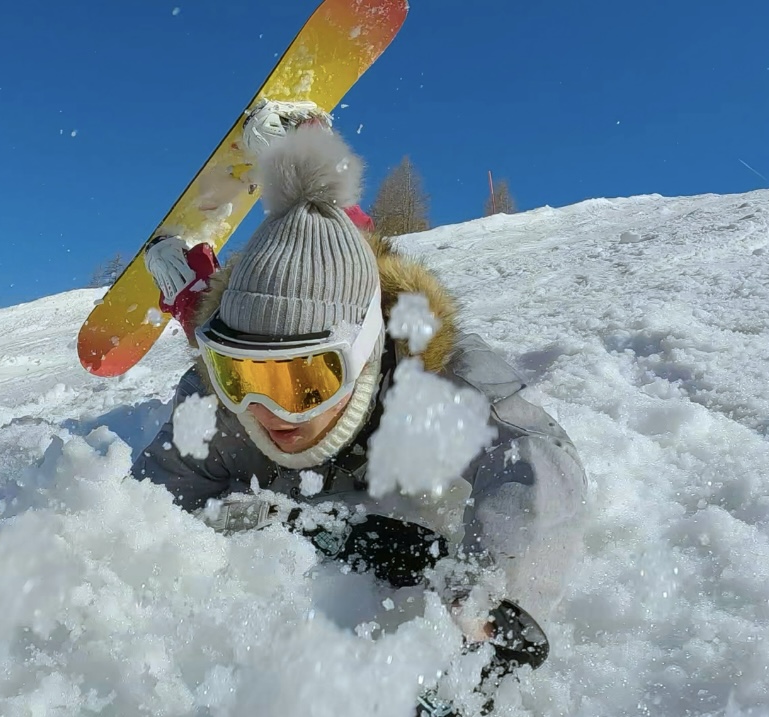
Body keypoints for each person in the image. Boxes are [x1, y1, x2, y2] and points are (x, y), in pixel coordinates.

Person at [131, 119, 589, 711]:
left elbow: (536, 457)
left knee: (346, 246)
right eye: (240, 376)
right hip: (248, 312)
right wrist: (289, 523)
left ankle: (300, 162)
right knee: (206, 315)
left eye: (306, 379)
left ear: (363, 359)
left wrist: (487, 595)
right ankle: (184, 279)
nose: (266, 412)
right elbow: (150, 509)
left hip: (351, 295)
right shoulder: (218, 403)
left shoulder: (432, 376)